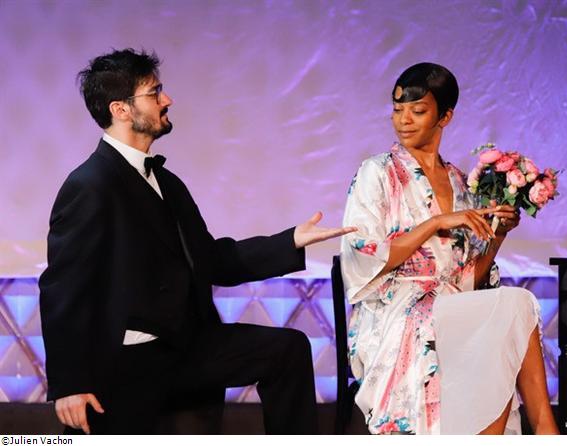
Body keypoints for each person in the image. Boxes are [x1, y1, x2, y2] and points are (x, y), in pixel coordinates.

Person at [39, 48, 355, 435]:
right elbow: (63, 288)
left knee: (286, 349)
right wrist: (70, 383)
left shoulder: (166, 183)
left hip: (184, 345)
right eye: (154, 93)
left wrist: (290, 241)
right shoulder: (90, 185)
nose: (167, 100)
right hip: (128, 360)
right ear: (120, 109)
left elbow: (210, 259)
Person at [340, 62, 559, 434]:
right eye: (397, 109)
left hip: (451, 304)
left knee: (515, 304)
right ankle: (545, 432)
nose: (404, 120)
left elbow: (467, 279)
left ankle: (545, 429)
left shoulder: (459, 181)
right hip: (397, 308)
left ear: (445, 117)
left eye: (417, 110)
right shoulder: (376, 172)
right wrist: (435, 223)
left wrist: (498, 235)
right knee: (506, 312)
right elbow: (365, 256)